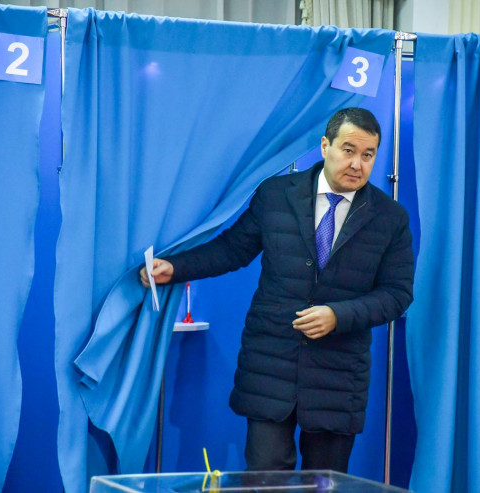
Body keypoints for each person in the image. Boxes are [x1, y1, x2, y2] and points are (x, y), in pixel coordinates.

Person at [140, 107, 414, 473]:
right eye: (348, 150)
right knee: (265, 480)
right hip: (271, 367)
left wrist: (338, 315)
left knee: (325, 483)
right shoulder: (276, 195)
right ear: (325, 146)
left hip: (337, 376)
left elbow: (397, 294)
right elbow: (232, 249)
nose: (357, 164)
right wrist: (176, 268)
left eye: (368, 155)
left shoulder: (390, 218)